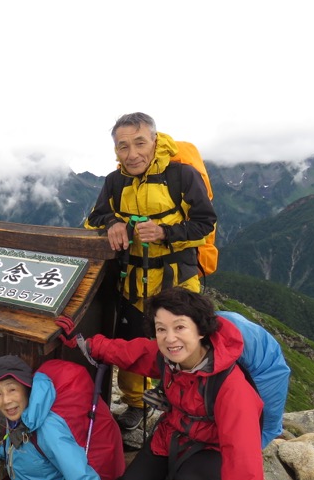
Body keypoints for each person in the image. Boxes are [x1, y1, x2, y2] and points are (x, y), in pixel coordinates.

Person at [58, 287, 271, 480]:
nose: (170, 338)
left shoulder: (231, 386)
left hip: (211, 448)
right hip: (172, 435)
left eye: (180, 327)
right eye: (161, 329)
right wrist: (86, 344)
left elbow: (242, 451)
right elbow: (130, 353)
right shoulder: (167, 358)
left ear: (201, 330)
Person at [84, 112, 217, 431]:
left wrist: (165, 233)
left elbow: (205, 223)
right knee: (133, 346)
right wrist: (113, 223)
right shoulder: (114, 182)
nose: (131, 154)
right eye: (122, 146)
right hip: (132, 284)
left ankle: (190, 408)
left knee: (182, 346)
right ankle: (136, 405)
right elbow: (95, 218)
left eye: (139, 143)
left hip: (177, 284)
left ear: (155, 142)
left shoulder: (182, 176)